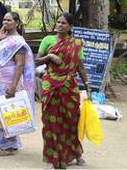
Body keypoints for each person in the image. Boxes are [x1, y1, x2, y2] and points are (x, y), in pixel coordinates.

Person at [35, 13, 90, 169]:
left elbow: (80, 67)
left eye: (63, 23)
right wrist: (50, 56)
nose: (59, 25)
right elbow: (37, 60)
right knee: (50, 121)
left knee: (71, 120)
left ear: (70, 26)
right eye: (58, 22)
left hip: (69, 84)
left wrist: (88, 86)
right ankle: (52, 158)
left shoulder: (76, 43)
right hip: (50, 84)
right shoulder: (48, 40)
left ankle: (75, 153)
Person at [0, 12, 35, 156]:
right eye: (4, 20)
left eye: (9, 20)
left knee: (5, 112)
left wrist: (12, 86)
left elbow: (19, 65)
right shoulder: (3, 38)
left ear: (16, 22)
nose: (5, 22)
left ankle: (8, 146)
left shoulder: (18, 42)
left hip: (7, 81)